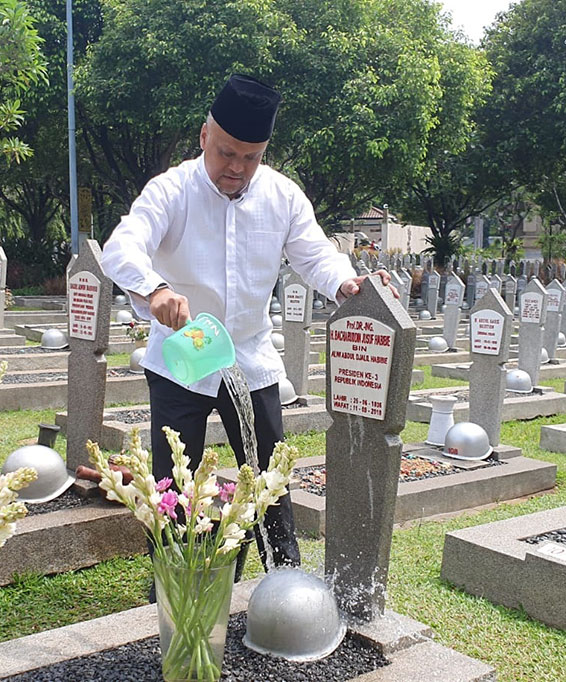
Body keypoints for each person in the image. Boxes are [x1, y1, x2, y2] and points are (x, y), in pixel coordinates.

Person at [100, 74, 393, 570]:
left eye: (250, 157)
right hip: (183, 354)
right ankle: (174, 581)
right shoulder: (171, 190)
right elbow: (121, 246)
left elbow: (315, 253)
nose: (236, 168)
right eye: (225, 153)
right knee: (175, 483)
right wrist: (156, 290)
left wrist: (346, 282)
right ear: (203, 137)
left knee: (267, 475)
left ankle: (285, 577)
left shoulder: (282, 196)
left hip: (250, 358)